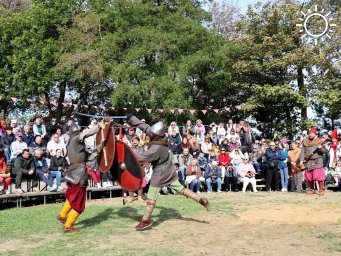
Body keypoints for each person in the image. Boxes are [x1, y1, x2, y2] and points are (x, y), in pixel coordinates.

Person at [127, 115, 210, 231]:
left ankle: (146, 220)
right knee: (180, 188)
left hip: (160, 173)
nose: (149, 133)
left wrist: (127, 153)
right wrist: (130, 117)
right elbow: (143, 126)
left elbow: (142, 157)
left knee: (151, 198)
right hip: (169, 170)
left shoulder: (157, 148)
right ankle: (199, 199)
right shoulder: (160, 138)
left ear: (156, 134)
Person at [57, 122, 104, 233]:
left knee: (73, 196)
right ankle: (68, 226)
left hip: (73, 174)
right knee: (79, 204)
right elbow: (85, 134)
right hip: (78, 175)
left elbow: (89, 157)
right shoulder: (75, 139)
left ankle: (62, 215)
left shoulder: (75, 146)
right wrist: (98, 127)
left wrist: (99, 148)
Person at [300, 127, 326, 195]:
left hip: (318, 160)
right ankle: (312, 190)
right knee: (309, 176)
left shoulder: (320, 141)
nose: (310, 134)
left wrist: (320, 149)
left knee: (318, 176)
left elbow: (325, 151)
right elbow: (303, 152)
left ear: (315, 134)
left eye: (312, 133)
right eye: (309, 133)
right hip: (308, 161)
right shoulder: (305, 141)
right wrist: (301, 160)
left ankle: (321, 190)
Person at [126, 136, 146, 203]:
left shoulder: (142, 149)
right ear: (131, 142)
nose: (134, 142)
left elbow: (145, 157)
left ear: (138, 141)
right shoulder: (129, 149)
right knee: (131, 183)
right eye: (133, 141)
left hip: (140, 168)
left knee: (140, 183)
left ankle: (140, 197)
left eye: (136, 140)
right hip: (132, 168)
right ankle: (131, 197)